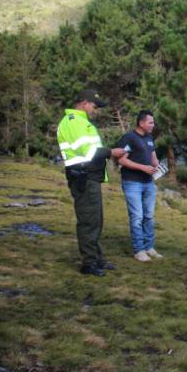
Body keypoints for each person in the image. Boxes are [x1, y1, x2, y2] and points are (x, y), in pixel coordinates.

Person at [57, 89, 126, 277]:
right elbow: (88, 153)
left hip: (90, 178)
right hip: (83, 178)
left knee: (95, 221)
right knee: (88, 221)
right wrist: (111, 152)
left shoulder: (82, 122)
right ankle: (88, 263)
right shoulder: (73, 122)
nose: (96, 111)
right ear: (84, 103)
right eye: (95, 106)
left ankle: (97, 259)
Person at [116, 110, 162, 262]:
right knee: (137, 217)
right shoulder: (129, 138)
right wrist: (142, 167)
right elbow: (121, 160)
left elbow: (153, 157)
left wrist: (158, 166)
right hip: (132, 182)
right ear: (141, 123)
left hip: (148, 182)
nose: (153, 125)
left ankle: (149, 247)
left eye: (153, 122)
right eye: (150, 122)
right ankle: (139, 250)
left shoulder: (149, 138)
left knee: (149, 216)